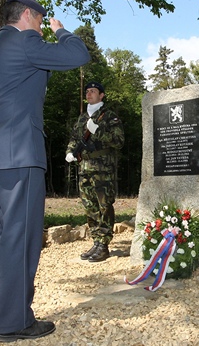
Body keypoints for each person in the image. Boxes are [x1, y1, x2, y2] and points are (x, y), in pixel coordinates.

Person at [0, 0, 90, 342]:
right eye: (40, 20)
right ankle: (15, 323)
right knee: (20, 239)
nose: (41, 26)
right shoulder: (25, 41)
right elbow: (77, 55)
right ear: (27, 14)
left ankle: (3, 316)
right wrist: (62, 30)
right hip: (19, 154)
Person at [65, 81, 124, 262]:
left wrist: (98, 133)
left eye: (93, 91)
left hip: (102, 169)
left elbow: (119, 141)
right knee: (90, 207)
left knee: (104, 205)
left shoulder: (109, 117)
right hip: (84, 169)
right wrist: (70, 151)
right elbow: (75, 139)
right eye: (87, 91)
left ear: (102, 95)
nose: (89, 94)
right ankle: (96, 241)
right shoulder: (82, 118)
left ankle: (104, 245)